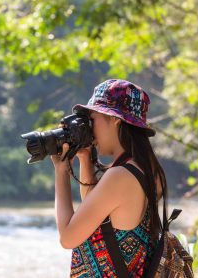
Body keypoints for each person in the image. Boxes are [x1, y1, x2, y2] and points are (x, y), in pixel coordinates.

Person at [51, 79, 167, 277]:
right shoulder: (147, 170)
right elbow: (98, 213)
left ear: (115, 120)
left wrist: (61, 171)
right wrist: (85, 158)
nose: (90, 128)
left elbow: (68, 238)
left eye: (92, 119)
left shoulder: (119, 176)